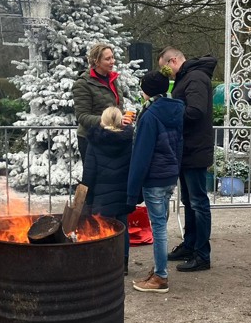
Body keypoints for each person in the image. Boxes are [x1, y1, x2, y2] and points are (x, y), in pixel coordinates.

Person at [157, 47, 216, 272]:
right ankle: (191, 244)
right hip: (188, 149)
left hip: (195, 149)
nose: (165, 73)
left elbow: (195, 111)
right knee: (190, 201)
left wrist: (167, 113)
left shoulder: (195, 78)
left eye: (164, 67)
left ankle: (202, 254)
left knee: (198, 202)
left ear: (173, 60)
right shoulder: (189, 78)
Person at [127, 70, 185, 293]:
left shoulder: (149, 116)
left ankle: (160, 276)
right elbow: (179, 144)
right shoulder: (175, 109)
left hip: (154, 177)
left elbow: (141, 155)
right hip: (170, 174)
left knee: (158, 227)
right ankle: (159, 269)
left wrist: (132, 192)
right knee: (162, 223)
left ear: (145, 90)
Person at [81, 106, 135, 276]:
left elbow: (89, 171)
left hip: (102, 194)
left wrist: (87, 196)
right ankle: (123, 262)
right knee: (123, 227)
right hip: (122, 191)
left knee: (103, 228)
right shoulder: (127, 141)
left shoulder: (95, 141)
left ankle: (106, 262)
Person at [72, 43, 133, 163]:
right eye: (107, 59)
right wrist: (112, 120)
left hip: (111, 136)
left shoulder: (113, 80)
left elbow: (113, 108)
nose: (112, 61)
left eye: (112, 57)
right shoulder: (83, 84)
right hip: (91, 139)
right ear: (96, 61)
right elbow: (82, 116)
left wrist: (124, 116)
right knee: (96, 180)